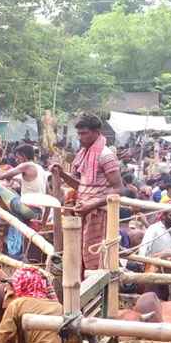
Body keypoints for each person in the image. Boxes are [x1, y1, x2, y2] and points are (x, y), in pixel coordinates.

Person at [53, 114, 122, 270]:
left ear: (96, 132)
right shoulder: (84, 154)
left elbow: (118, 189)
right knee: (80, 255)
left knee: (94, 256)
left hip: (99, 213)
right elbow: (81, 187)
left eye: (84, 133)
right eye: (79, 133)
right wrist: (62, 174)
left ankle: (95, 292)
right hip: (83, 211)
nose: (80, 137)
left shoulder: (106, 155)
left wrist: (92, 204)